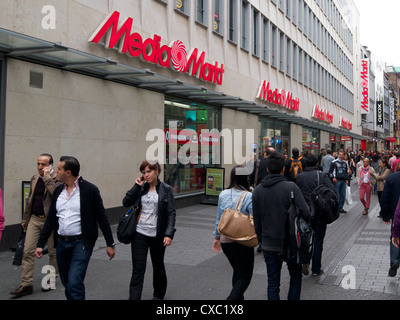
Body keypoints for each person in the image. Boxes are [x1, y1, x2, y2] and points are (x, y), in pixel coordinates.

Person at [35, 156, 115, 300]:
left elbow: (102, 217)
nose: (56, 171)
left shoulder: (90, 190)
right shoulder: (59, 191)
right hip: (61, 244)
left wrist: (110, 243)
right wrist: (40, 244)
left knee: (74, 281)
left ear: (68, 172)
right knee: (67, 282)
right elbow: (51, 219)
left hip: (81, 243)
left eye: (59, 169)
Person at [253, 151, 311, 300]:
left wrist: (261, 240)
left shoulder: (258, 191)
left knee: (273, 283)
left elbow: (257, 220)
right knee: (295, 277)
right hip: (291, 242)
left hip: (268, 243)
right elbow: (306, 211)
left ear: (267, 169)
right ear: (283, 169)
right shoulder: (291, 187)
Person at [122, 160, 176, 300]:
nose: (146, 175)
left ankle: (158, 295)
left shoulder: (165, 189)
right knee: (138, 270)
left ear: (156, 171)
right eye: (143, 172)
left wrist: (168, 234)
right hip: (139, 233)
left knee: (158, 266)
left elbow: (171, 213)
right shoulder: (141, 188)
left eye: (149, 172)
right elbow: (126, 202)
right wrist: (136, 186)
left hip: (157, 235)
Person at [10, 154, 61, 298]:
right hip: (34, 219)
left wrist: (46, 177)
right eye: (38, 164)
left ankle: (49, 279)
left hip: (50, 222)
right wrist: (25, 218)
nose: (40, 167)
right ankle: (26, 284)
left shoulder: (57, 179)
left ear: (50, 165)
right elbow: (30, 199)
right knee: (27, 251)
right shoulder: (34, 178)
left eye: (43, 164)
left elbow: (55, 194)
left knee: (52, 252)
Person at [212, 166, 254, 300]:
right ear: (245, 178)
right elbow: (255, 217)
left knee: (238, 271)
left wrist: (216, 237)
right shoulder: (248, 196)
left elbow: (219, 218)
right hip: (243, 241)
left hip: (226, 241)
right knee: (245, 276)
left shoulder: (223, 194)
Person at [295, 155, 335, 276]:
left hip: (304, 212)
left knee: (304, 238)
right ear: (317, 164)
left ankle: (305, 260)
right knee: (318, 241)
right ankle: (316, 268)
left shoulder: (299, 177)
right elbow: (331, 190)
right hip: (319, 213)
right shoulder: (321, 175)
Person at [379, 168, 400, 277]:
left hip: (395, 214)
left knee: (395, 236)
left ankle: (395, 260)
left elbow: (385, 198)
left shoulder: (392, 178)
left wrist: (385, 215)